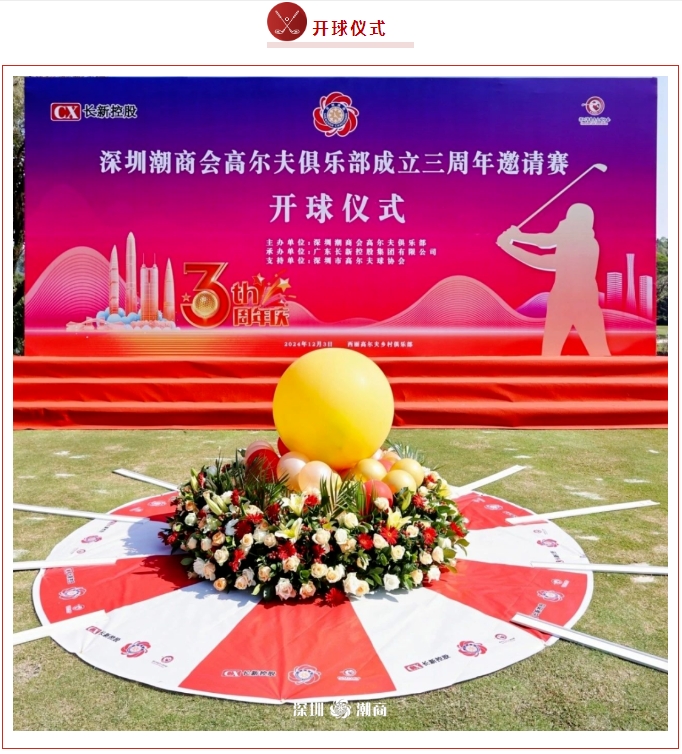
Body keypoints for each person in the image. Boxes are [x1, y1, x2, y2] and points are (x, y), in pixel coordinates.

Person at [496, 203, 611, 357]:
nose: (563, 222)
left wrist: (512, 242)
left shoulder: (584, 244)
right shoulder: (584, 242)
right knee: (552, 354)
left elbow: (543, 252)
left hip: (573, 303)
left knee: (594, 354)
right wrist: (516, 238)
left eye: (568, 220)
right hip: (574, 302)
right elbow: (546, 241)